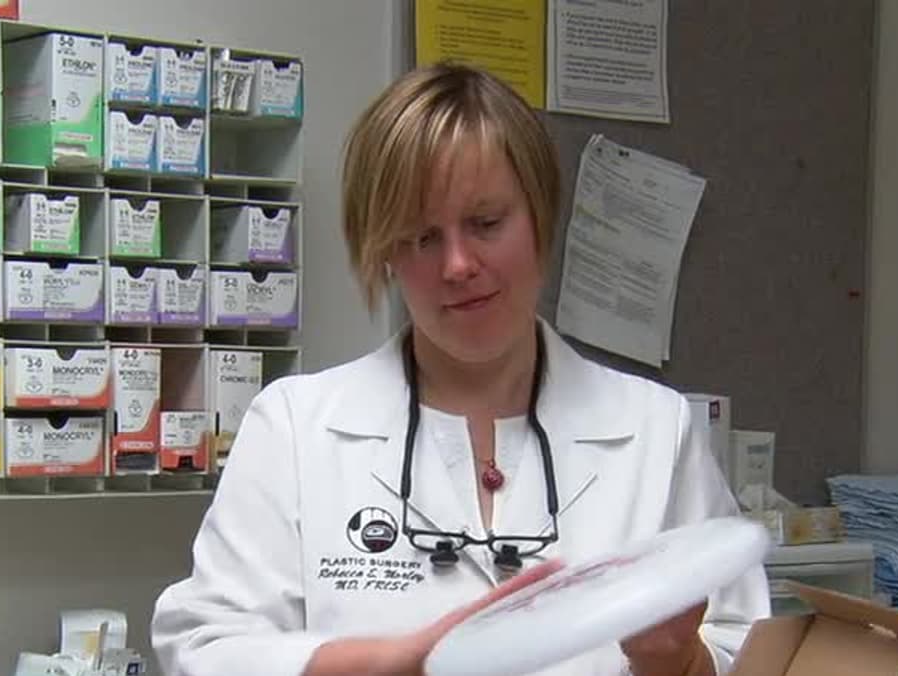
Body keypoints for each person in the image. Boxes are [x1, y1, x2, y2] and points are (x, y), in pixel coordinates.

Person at [151, 62, 768, 676]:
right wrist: (386, 666)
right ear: (386, 253)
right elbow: (203, 645)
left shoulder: (654, 432)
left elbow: (746, 647)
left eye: (486, 223)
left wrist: (680, 661)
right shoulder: (296, 427)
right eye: (421, 238)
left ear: (540, 215)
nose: (457, 265)